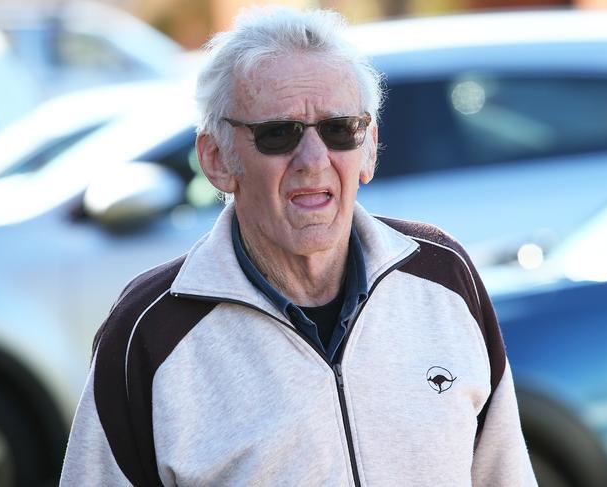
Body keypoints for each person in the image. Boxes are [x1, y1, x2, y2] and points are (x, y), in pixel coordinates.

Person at [60, 7, 537, 486]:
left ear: (368, 147)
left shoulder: (442, 276)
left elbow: (505, 475)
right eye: (278, 133)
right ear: (217, 158)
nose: (313, 160)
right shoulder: (152, 331)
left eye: (338, 129)